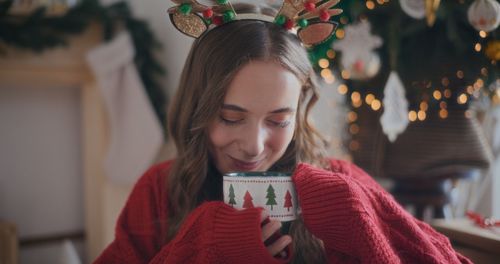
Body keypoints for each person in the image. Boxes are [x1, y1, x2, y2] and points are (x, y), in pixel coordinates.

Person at [94, 2, 471, 263]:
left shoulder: (342, 182)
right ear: (198, 107)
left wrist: (369, 222)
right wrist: (204, 245)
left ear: (300, 110)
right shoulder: (159, 190)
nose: (255, 146)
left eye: (278, 121)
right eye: (230, 117)